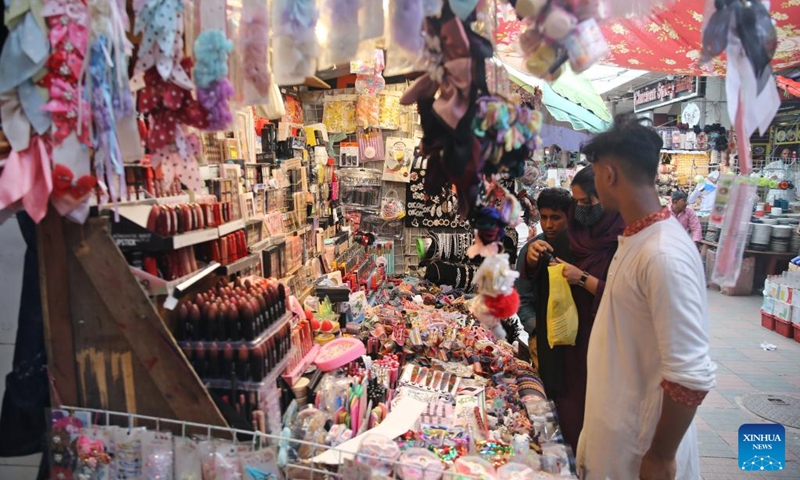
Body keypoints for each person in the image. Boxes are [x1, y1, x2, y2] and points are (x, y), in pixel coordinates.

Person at [576, 115, 716, 480]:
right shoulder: (637, 239)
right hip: (615, 442)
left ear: (608, 175)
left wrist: (660, 455)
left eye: (594, 173)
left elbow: (691, 375)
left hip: (638, 456)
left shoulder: (663, 253)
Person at [531, 166, 625, 452]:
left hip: (602, 338)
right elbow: (536, 277)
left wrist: (583, 279)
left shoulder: (624, 237)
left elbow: (626, 296)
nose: (580, 210)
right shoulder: (573, 230)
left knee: (595, 408)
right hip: (566, 337)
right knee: (567, 405)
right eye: (577, 203)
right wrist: (535, 254)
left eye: (587, 203)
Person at [515, 188, 573, 369]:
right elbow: (521, 297)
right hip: (542, 339)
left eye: (555, 218)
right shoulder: (532, 249)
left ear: (568, 216)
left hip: (575, 339)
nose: (548, 224)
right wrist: (536, 331)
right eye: (544, 217)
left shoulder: (579, 248)